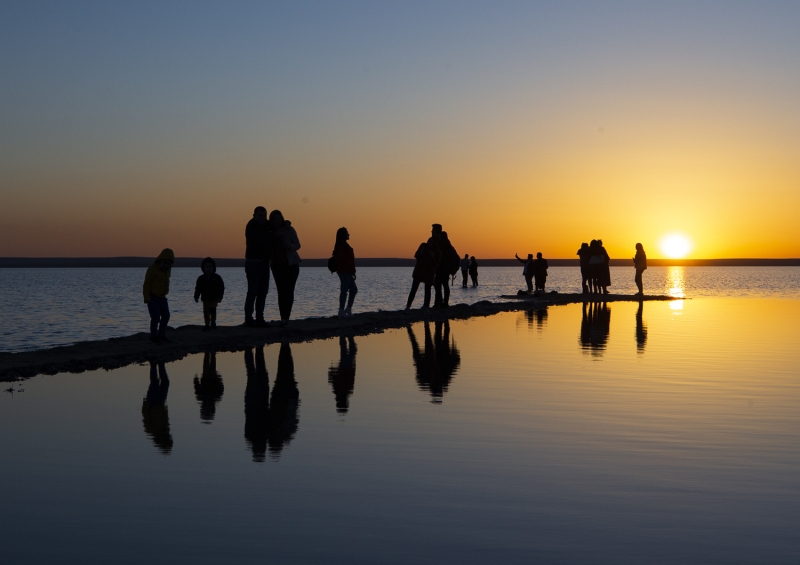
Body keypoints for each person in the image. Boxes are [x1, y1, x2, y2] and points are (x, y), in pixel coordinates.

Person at [269, 210, 301, 327]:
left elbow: (298, 244)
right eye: (274, 219)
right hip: (276, 266)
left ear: (282, 219)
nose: (277, 221)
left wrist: (290, 246)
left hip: (291, 265)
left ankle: (286, 317)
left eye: (279, 218)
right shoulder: (269, 232)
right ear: (271, 220)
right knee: (281, 291)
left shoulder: (289, 230)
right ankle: (283, 317)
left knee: (289, 291)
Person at [244, 206, 272, 327]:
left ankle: (259, 318)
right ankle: (249, 319)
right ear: (254, 215)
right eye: (260, 215)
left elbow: (279, 224)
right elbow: (260, 241)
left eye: (264, 215)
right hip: (253, 263)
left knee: (263, 292)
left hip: (265, 263)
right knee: (253, 291)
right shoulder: (251, 226)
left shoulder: (266, 224)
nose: (262, 218)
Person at [142, 248, 174, 343]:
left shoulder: (167, 270)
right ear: (160, 261)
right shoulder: (152, 269)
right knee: (155, 317)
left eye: (168, 264)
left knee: (166, 316)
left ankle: (161, 334)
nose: (166, 265)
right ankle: (153, 336)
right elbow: (146, 284)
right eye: (164, 263)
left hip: (162, 297)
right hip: (153, 297)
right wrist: (147, 297)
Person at [142, 361, 172, 454]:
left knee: (155, 382)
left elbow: (145, 415)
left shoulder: (151, 430)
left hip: (153, 403)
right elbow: (165, 417)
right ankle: (161, 364)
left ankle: (154, 364)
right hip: (160, 403)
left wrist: (147, 403)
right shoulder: (165, 429)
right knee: (165, 383)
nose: (169, 436)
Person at [406, 235, 441, 310]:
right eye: (430, 242)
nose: (431, 243)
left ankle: (426, 306)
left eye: (432, 242)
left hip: (428, 272)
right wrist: (421, 253)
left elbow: (437, 261)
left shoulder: (436, 250)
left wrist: (432, 256)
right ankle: (408, 305)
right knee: (414, 289)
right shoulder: (423, 246)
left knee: (427, 289)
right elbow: (416, 255)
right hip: (419, 271)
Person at [194, 257, 225, 331]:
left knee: (213, 310)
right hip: (205, 298)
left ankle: (213, 322)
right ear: (203, 268)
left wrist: (220, 297)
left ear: (214, 267)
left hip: (214, 298)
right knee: (206, 311)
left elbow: (221, 288)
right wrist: (196, 296)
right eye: (206, 267)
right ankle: (207, 324)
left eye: (210, 267)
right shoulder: (201, 278)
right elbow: (198, 288)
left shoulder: (217, 277)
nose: (208, 268)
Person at [328, 335, 357, 414]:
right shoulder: (344, 391)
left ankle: (345, 336)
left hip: (345, 369)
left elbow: (335, 380)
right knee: (346, 351)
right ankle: (345, 336)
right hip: (346, 369)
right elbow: (334, 380)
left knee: (348, 351)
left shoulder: (345, 390)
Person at [433, 226, 460, 308]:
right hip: (445, 269)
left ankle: (439, 303)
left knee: (439, 286)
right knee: (444, 285)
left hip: (441, 268)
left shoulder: (441, 244)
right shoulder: (448, 245)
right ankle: (444, 303)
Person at [333, 227, 357, 318]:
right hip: (344, 271)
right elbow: (343, 259)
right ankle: (341, 310)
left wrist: (352, 270)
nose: (349, 234)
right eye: (347, 233)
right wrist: (351, 266)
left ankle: (348, 308)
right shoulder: (341, 247)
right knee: (344, 290)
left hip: (348, 271)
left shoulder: (344, 246)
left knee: (353, 289)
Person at [193, 352, 224, 422]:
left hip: (207, 379)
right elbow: (221, 388)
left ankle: (208, 353)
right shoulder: (216, 397)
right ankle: (211, 353)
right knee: (210, 366)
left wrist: (195, 380)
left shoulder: (202, 397)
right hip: (211, 379)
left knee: (207, 365)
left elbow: (197, 388)